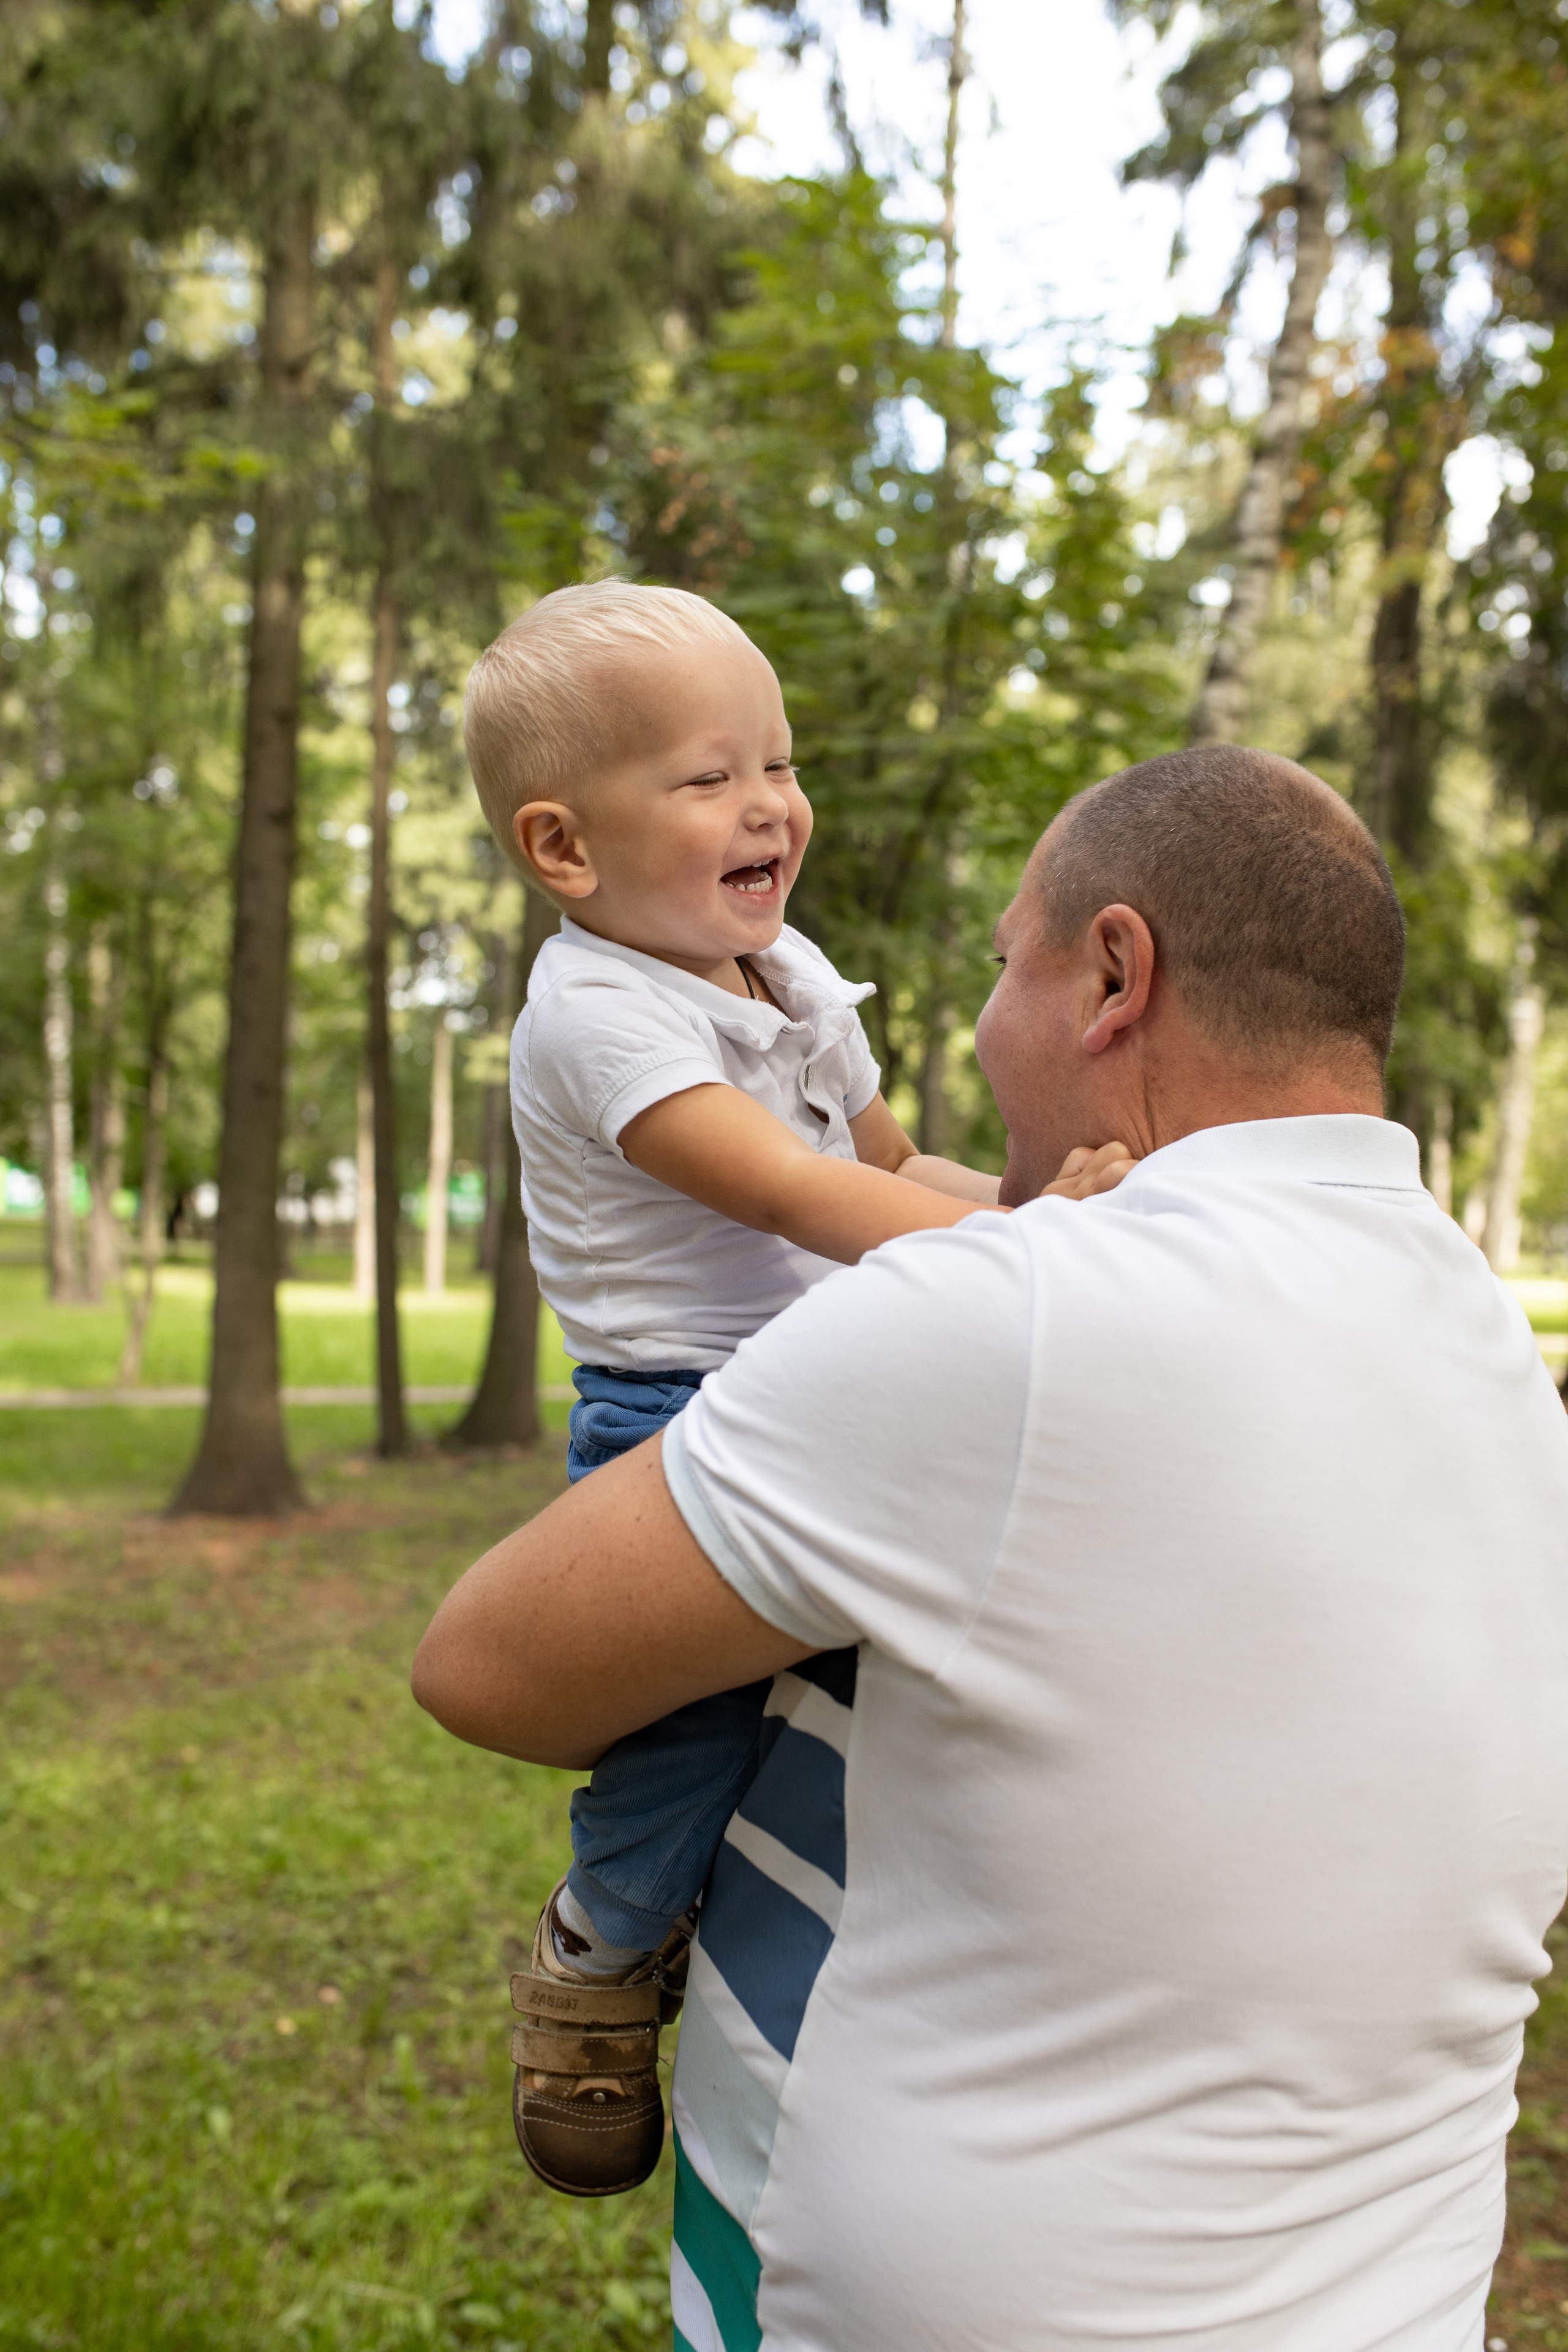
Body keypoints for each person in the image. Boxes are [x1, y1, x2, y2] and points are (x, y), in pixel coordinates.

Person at [415, 745, 1568, 2351]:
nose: (976, 1027)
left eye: (1004, 964)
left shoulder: (1011, 1317)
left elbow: (491, 1670)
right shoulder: (1488, 1347)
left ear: (1112, 975)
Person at [459, 579, 1126, 2198]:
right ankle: (601, 1953)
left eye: (779, 760)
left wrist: (1072, 1203)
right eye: (708, 777)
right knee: (688, 1720)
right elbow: (793, 1194)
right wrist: (1034, 1244)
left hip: (835, 1377)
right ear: (566, 849)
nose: (771, 803)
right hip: (678, 1408)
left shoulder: (791, 971)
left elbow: (893, 1164)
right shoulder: (598, 1014)